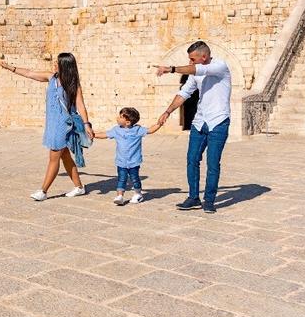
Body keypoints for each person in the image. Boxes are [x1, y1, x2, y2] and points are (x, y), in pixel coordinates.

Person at [0, 52, 94, 201]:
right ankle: (79, 187)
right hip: (52, 123)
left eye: (57, 62)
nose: (54, 64)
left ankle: (43, 191)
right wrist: (9, 67)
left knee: (53, 157)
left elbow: (80, 105)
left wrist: (86, 124)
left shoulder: (73, 84)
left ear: (65, 66)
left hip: (64, 125)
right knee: (65, 156)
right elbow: (29, 73)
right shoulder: (51, 77)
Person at [155, 40, 232, 214]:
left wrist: (171, 69)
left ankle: (210, 200)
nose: (190, 62)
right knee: (192, 159)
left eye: (192, 59)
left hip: (218, 122)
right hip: (199, 122)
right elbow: (184, 93)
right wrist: (167, 112)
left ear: (203, 57)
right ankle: (193, 197)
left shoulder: (220, 66)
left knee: (213, 163)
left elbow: (200, 69)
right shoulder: (195, 72)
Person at [89, 107, 165, 205]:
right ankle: (120, 196)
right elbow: (105, 134)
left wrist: (159, 124)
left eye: (120, 117)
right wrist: (93, 135)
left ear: (128, 122)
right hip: (121, 162)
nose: (117, 118)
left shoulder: (138, 130)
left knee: (135, 178)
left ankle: (138, 194)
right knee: (121, 178)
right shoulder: (116, 130)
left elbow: (150, 130)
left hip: (134, 161)